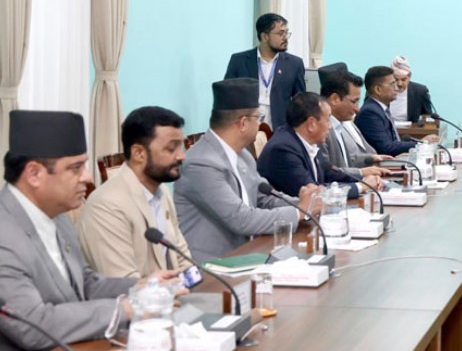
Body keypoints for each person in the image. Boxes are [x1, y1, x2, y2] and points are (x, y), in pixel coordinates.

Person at [0, 110, 178, 349]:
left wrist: (141, 287)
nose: (87, 177)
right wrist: (126, 309)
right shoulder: (4, 234)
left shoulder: (58, 216)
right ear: (34, 174)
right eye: (76, 168)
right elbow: (33, 324)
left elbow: (85, 283)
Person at [174, 78, 321, 261]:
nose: (260, 124)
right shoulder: (200, 164)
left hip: (249, 255)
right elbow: (240, 218)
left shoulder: (243, 155)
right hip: (213, 267)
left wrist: (308, 203)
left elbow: (265, 199)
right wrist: (299, 211)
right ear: (243, 123)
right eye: (259, 118)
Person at [78, 106, 194, 278]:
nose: (182, 156)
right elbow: (122, 282)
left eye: (181, 147)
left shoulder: (160, 189)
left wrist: (194, 282)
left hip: (172, 291)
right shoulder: (106, 206)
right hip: (139, 295)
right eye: (171, 148)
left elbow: (182, 257)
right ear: (139, 153)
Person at [258, 92, 384, 200]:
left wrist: (363, 176)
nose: (330, 126)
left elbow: (328, 173)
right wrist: (360, 187)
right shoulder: (283, 150)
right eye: (328, 120)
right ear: (311, 124)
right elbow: (313, 193)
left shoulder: (307, 141)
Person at [224, 13, 306, 131]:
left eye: (286, 33)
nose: (285, 38)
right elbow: (228, 96)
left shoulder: (294, 64)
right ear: (264, 36)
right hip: (245, 128)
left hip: (280, 129)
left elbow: (300, 101)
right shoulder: (239, 60)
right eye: (280, 33)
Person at [318, 63, 393, 176]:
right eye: (354, 101)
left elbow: (346, 161)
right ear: (334, 99)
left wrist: (370, 159)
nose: (357, 109)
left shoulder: (340, 124)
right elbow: (327, 172)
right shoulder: (322, 129)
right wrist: (361, 173)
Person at [356, 66, 439, 156]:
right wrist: (421, 143)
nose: (396, 88)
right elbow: (386, 148)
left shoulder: (381, 108)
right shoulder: (370, 113)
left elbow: (392, 143)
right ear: (378, 90)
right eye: (392, 84)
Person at [389, 56, 435, 123]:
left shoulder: (420, 91)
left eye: (403, 79)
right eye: (396, 79)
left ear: (409, 76)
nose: (399, 84)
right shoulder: (384, 90)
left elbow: (428, 117)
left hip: (412, 129)